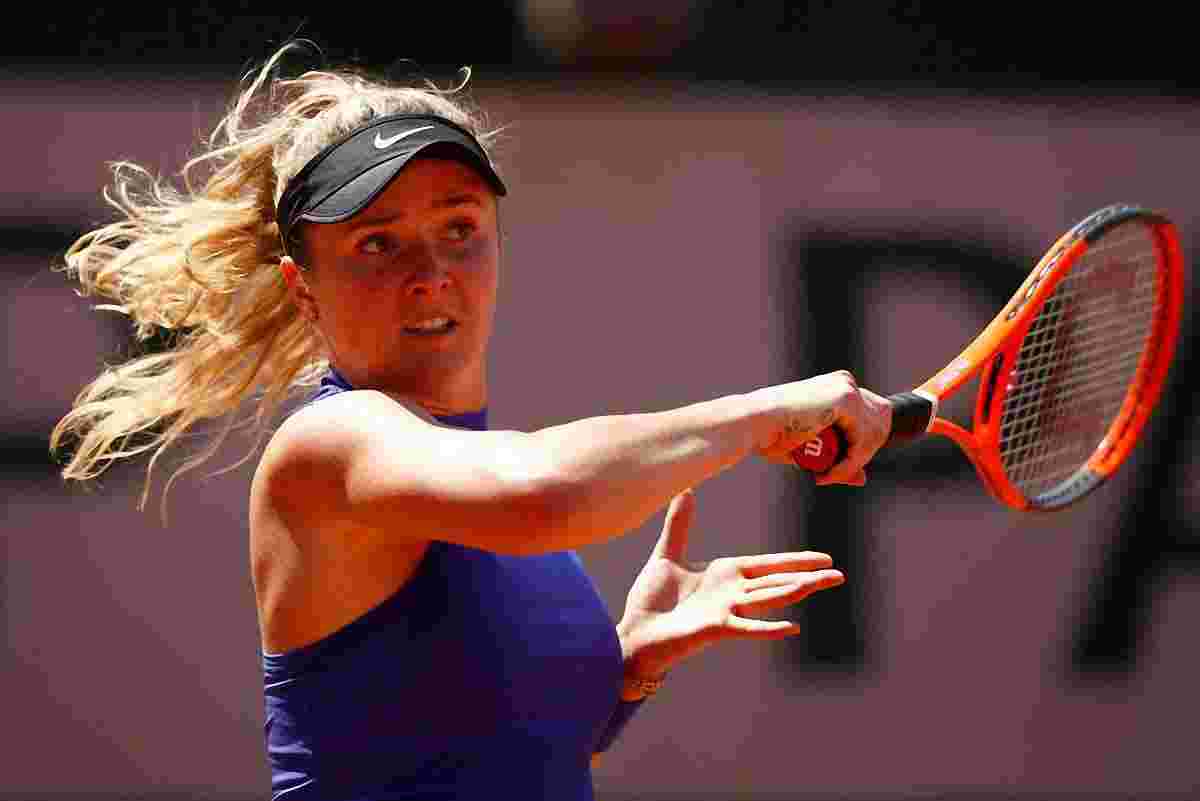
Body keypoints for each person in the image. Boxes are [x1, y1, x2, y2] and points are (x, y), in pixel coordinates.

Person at [51, 42, 892, 801]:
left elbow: (487, 757)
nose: (431, 272)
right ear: (304, 289)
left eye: (459, 227)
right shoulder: (329, 448)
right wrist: (766, 413)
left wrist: (627, 669)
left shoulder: (481, 480)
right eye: (378, 243)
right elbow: (543, 492)